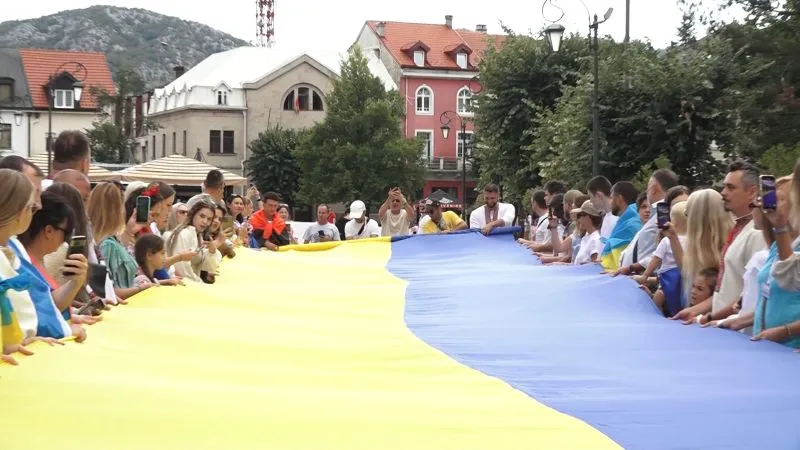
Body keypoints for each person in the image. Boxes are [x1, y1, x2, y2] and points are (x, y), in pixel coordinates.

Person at [600, 181, 642, 271]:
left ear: (619, 199)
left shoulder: (631, 225)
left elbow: (623, 259)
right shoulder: (626, 222)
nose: (610, 202)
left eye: (611, 198)